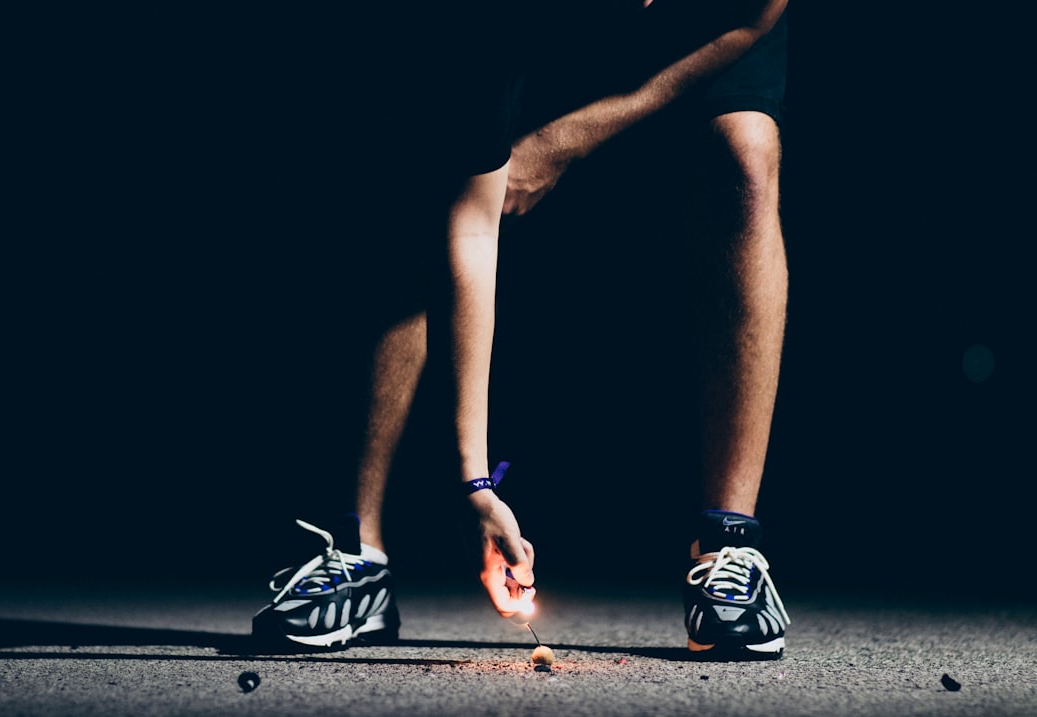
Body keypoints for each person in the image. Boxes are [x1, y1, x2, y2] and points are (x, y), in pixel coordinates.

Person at [255, 0, 791, 660]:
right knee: (421, 186)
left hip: (708, 23)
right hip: (528, 22)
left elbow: (748, 20)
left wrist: (568, 139)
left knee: (745, 155)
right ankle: (356, 549)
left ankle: (729, 545)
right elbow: (469, 227)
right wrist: (474, 486)